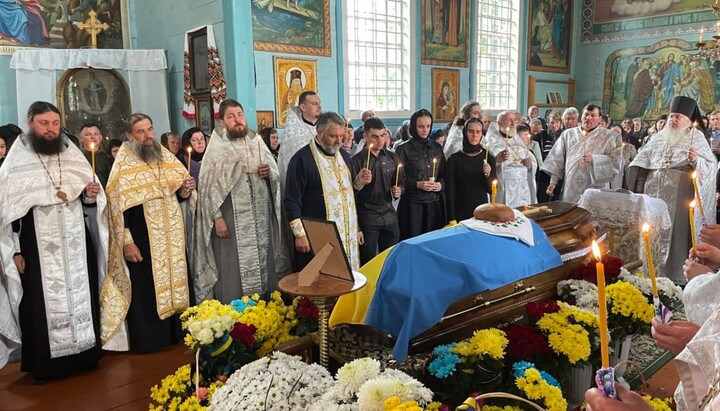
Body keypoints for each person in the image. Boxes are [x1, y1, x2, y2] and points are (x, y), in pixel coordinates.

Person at [0, 101, 105, 381]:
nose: (51, 129)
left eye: (55, 124)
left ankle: (85, 355)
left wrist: (90, 194)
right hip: (36, 243)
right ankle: (48, 365)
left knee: (82, 294)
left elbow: (87, 195)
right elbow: (9, 212)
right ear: (30, 122)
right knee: (40, 301)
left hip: (75, 240)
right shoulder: (17, 159)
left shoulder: (70, 151)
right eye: (44, 124)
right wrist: (16, 251)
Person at [101, 113, 195, 354]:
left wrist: (185, 190)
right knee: (146, 288)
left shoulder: (165, 156)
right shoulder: (124, 165)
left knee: (177, 280)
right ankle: (152, 339)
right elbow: (118, 210)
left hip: (171, 236)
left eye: (150, 129)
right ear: (130, 136)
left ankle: (177, 333)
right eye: (140, 132)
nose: (147, 135)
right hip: (143, 238)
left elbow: (179, 195)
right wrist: (127, 242)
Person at [193, 99, 290, 303]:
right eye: (231, 116)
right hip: (230, 218)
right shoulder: (217, 148)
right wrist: (217, 218)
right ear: (222, 121)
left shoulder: (256, 141)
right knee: (232, 268)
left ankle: (267, 316)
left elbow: (274, 173)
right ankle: (235, 320)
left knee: (265, 263)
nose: (237, 120)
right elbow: (207, 187)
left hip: (261, 217)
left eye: (240, 115)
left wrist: (269, 173)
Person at [627, 96, 717, 284]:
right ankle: (650, 272)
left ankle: (675, 276)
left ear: (687, 120)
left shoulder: (696, 136)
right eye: (671, 116)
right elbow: (642, 158)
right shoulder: (658, 137)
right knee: (652, 232)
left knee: (677, 236)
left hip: (680, 194)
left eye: (678, 117)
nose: (673, 120)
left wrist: (696, 161)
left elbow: (710, 165)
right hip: (653, 194)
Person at [284, 111, 363, 271]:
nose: (340, 141)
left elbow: (348, 195)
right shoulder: (301, 160)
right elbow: (292, 200)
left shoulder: (344, 156)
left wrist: (358, 228)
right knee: (321, 281)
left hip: (347, 233)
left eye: (342, 136)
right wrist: (299, 234)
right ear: (320, 133)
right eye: (334, 136)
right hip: (317, 234)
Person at [350, 117, 403, 265]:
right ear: (365, 136)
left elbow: (401, 181)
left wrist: (399, 190)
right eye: (374, 136)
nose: (379, 140)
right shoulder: (356, 161)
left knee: (391, 257)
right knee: (369, 259)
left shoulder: (393, 157)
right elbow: (349, 195)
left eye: (382, 135)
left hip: (389, 215)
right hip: (368, 218)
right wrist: (359, 182)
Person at [542, 104, 621, 204]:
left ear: (600, 119)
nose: (588, 118)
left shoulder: (610, 137)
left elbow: (616, 161)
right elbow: (557, 159)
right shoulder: (568, 134)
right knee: (570, 215)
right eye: (586, 115)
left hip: (595, 187)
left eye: (593, 115)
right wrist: (553, 182)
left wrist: (594, 159)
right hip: (571, 186)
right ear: (581, 116)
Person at [395, 109, 446, 240]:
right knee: (413, 240)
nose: (425, 130)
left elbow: (444, 174)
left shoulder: (436, 147)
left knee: (433, 241)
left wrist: (440, 185)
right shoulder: (403, 149)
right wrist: (417, 184)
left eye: (428, 126)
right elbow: (397, 179)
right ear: (413, 126)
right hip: (412, 205)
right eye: (421, 126)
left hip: (434, 204)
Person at [445, 118, 496, 223]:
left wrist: (488, 175)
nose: (475, 135)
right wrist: (451, 217)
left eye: (478, 132)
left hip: (482, 210)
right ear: (464, 132)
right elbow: (450, 191)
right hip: (460, 211)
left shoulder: (488, 157)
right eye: (471, 131)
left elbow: (492, 190)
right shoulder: (454, 159)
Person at [486, 111, 537, 207]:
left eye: (515, 120)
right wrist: (497, 160)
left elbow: (532, 162)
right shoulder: (492, 141)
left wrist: (530, 164)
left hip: (522, 189)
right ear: (499, 123)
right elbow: (485, 164)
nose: (513, 124)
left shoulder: (517, 140)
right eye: (509, 120)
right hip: (504, 187)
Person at [277, 90, 322, 192]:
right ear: (303, 107)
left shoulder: (324, 129)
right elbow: (287, 162)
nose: (319, 106)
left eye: (319, 103)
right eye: (314, 104)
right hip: (302, 184)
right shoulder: (293, 133)